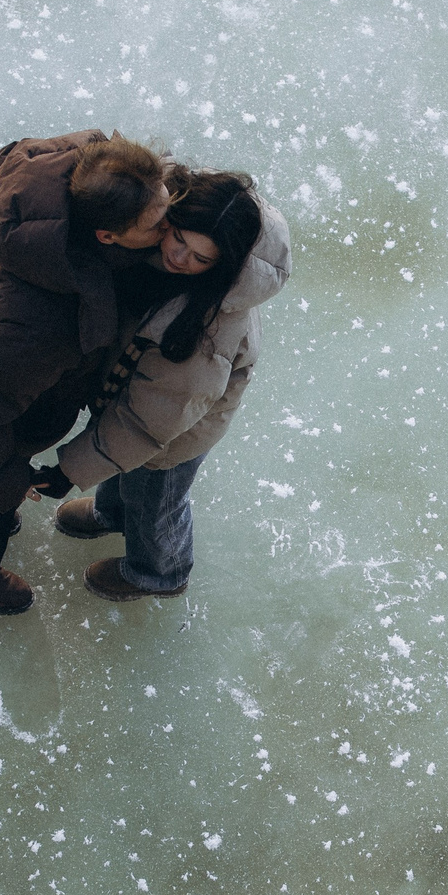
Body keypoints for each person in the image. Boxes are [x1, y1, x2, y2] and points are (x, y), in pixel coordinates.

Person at [0, 130, 170, 616]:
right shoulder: (44, 317)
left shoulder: (50, 166)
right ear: (106, 237)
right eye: (155, 225)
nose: (167, 229)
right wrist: (6, 481)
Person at [48, 170, 287, 602]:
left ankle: (160, 571)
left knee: (156, 499)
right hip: (143, 403)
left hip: (174, 434)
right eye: (177, 238)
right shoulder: (189, 239)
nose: (179, 258)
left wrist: (70, 471)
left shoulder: (205, 335)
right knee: (127, 474)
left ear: (224, 263)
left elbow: (146, 425)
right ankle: (112, 513)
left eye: (200, 258)